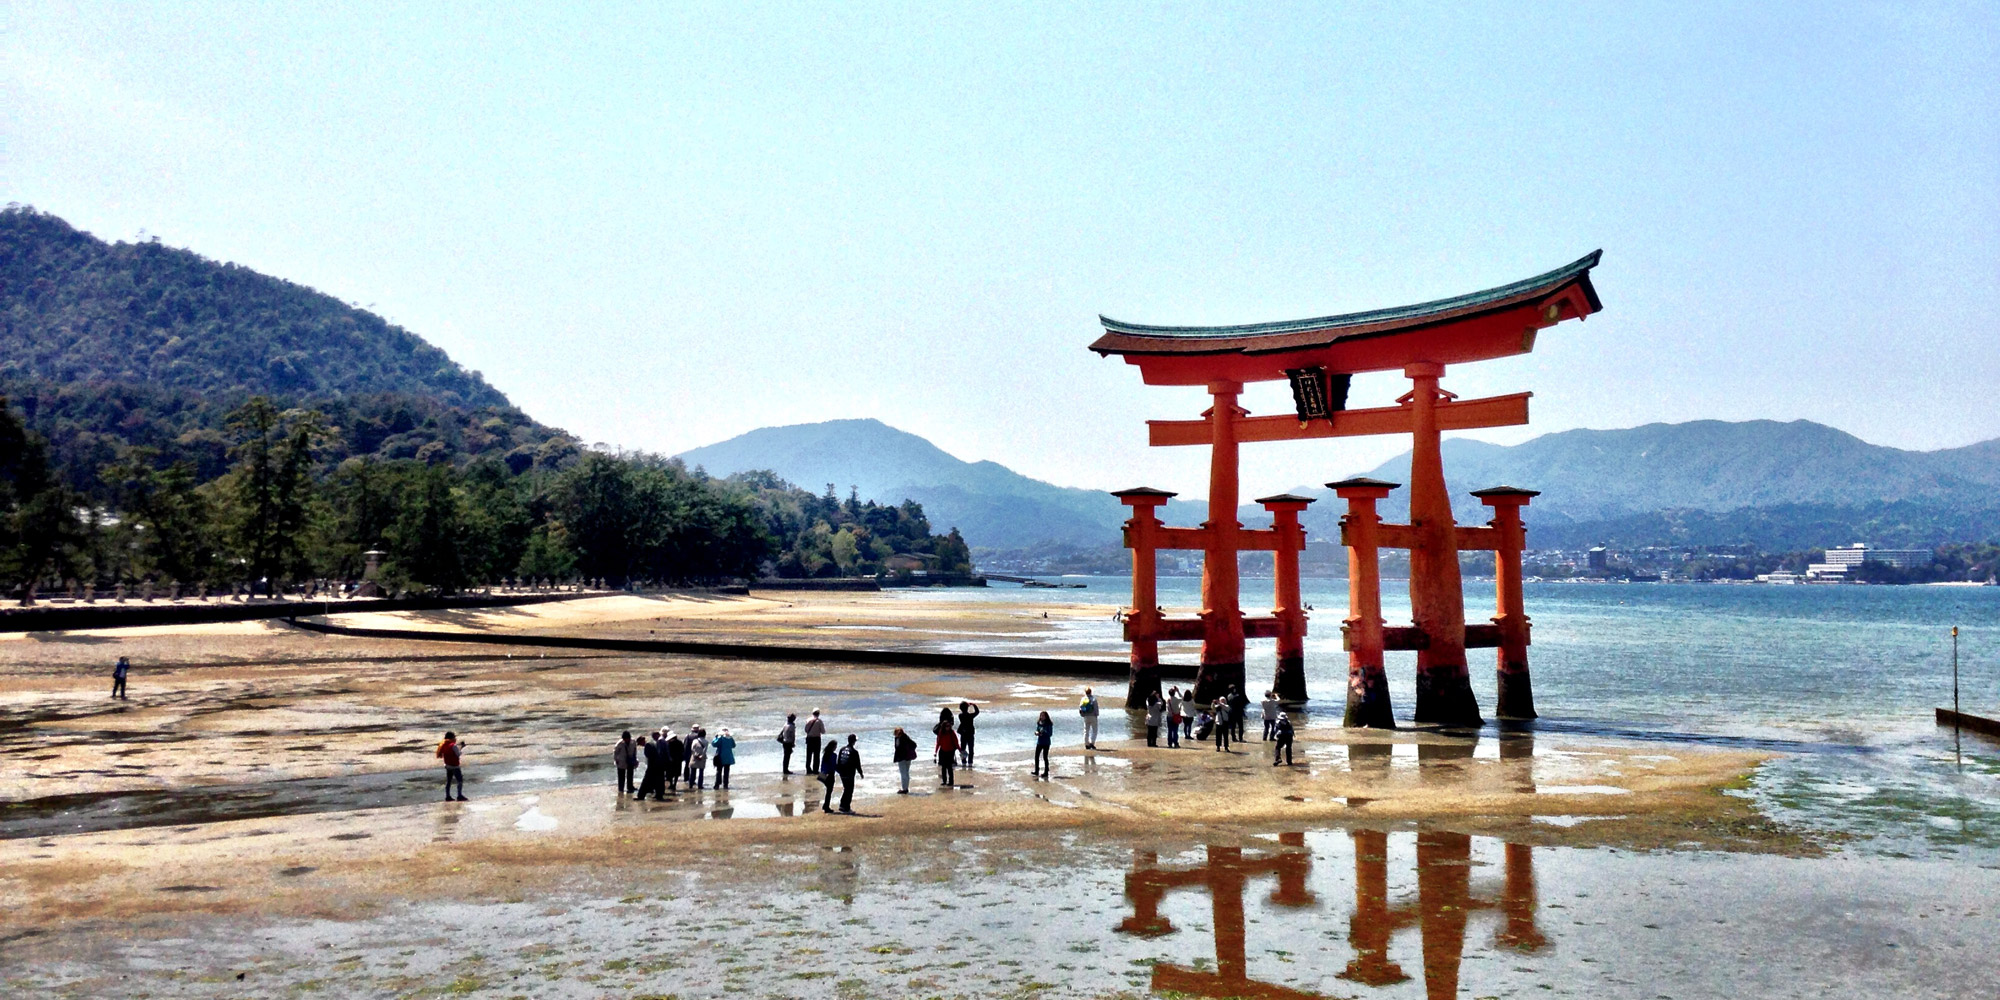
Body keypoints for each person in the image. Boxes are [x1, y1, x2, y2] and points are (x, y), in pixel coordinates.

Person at [835, 734, 864, 813]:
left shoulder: (842, 749)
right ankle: (846, 807)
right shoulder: (854, 752)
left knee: (846, 789)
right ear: (854, 741)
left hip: (842, 772)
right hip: (849, 773)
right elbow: (857, 764)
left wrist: (839, 771)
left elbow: (838, 761)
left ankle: (842, 805)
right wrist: (861, 773)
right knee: (849, 790)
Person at [436, 731, 467, 801]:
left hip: (447, 765)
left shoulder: (443, 745)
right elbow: (458, 754)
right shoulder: (453, 745)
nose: (455, 738)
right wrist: (462, 748)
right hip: (455, 766)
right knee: (460, 780)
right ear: (451, 738)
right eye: (454, 737)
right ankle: (459, 795)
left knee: (449, 781)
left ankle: (448, 796)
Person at [933, 707, 959, 787]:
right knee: (944, 767)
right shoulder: (941, 733)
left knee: (949, 767)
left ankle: (950, 781)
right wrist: (935, 752)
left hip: (950, 750)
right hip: (944, 750)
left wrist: (960, 749)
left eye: (949, 726)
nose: (948, 727)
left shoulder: (951, 732)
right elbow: (938, 743)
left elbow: (956, 742)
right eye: (947, 726)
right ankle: (944, 781)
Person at [635, 733, 663, 800]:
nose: (641, 745)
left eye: (640, 743)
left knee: (646, 781)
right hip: (659, 765)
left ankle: (640, 796)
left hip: (653, 766)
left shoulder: (648, 746)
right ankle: (659, 795)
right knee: (658, 781)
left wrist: (650, 768)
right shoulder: (652, 743)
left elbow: (651, 757)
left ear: (642, 741)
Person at [817, 734, 840, 811]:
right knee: (829, 791)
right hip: (830, 775)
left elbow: (823, 765)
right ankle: (826, 806)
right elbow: (834, 766)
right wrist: (840, 772)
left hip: (823, 774)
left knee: (828, 791)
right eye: (835, 746)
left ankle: (825, 805)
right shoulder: (833, 755)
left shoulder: (825, 754)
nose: (836, 748)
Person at [892, 727, 918, 793]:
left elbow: (899, 748)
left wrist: (906, 751)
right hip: (907, 757)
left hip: (902, 758)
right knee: (906, 773)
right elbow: (914, 745)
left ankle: (905, 789)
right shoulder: (905, 737)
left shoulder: (901, 738)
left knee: (903, 773)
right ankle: (905, 788)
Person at [662, 729, 686, 794]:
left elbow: (667, 752)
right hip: (678, 760)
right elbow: (683, 751)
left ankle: (672, 784)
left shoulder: (669, 743)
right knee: (676, 773)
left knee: (670, 773)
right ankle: (674, 784)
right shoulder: (680, 742)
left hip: (671, 761)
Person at [956, 701, 980, 767]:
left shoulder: (960, 715)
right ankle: (970, 762)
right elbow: (977, 712)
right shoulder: (970, 716)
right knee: (971, 749)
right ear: (967, 708)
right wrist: (974, 705)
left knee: (963, 749)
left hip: (963, 734)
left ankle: (963, 761)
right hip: (970, 734)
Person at [613, 731, 637, 795]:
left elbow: (635, 750)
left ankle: (630, 787)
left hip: (630, 760)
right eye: (625, 739)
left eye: (627, 738)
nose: (626, 740)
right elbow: (615, 752)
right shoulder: (619, 744)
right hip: (621, 761)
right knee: (621, 776)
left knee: (630, 774)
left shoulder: (633, 742)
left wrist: (635, 760)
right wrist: (616, 760)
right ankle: (621, 789)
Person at [804, 709, 826, 773]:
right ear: (818, 714)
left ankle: (808, 768)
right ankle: (815, 769)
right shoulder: (819, 721)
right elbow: (823, 731)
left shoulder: (808, 720)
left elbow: (806, 730)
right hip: (816, 739)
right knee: (816, 755)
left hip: (809, 738)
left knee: (809, 755)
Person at [1033, 711, 1054, 777]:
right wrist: (1037, 732)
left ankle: (1046, 772)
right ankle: (1036, 770)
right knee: (1036, 756)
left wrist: (1043, 732)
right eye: (1041, 716)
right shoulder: (1039, 723)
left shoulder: (1049, 724)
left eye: (1043, 716)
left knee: (1045, 757)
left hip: (1046, 743)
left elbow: (1050, 734)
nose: (1042, 717)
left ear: (1046, 716)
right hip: (1039, 742)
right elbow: (1037, 730)